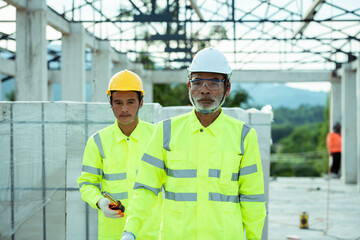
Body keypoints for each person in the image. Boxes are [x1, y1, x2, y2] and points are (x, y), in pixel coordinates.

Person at [121, 47, 266, 240]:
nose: (204, 89)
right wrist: (130, 230)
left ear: (227, 88)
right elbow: (146, 188)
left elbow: (253, 198)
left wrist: (254, 238)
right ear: (189, 86)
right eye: (198, 82)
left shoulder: (244, 136)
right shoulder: (166, 131)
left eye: (214, 82)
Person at [77, 70, 162, 240]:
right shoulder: (98, 141)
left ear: (141, 103)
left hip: (151, 232)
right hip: (112, 233)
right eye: (118, 103)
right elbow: (86, 183)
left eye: (130, 102)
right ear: (110, 103)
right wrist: (100, 201)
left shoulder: (157, 137)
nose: (124, 109)